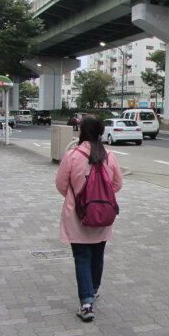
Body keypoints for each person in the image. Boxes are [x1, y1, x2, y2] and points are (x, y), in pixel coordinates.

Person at [55, 115, 123, 322]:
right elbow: (117, 185)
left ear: (82, 132)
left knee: (82, 257)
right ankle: (93, 290)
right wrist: (100, 198)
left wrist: (78, 196)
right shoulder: (109, 156)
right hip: (102, 215)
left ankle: (86, 304)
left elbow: (60, 184)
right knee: (97, 253)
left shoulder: (72, 155)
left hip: (78, 216)